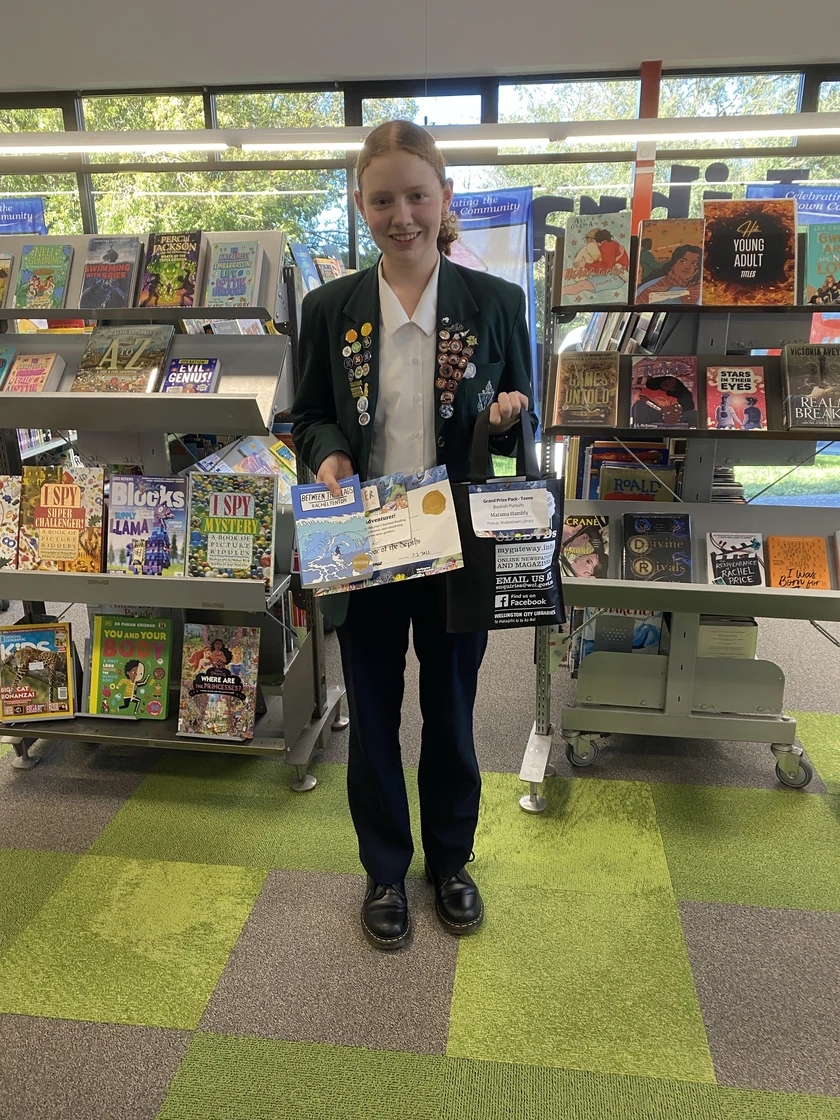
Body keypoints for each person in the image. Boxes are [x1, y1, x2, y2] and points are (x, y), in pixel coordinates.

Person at [291, 119, 533, 951]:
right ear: (360, 205)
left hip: (456, 539)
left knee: (453, 710)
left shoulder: (495, 303)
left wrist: (507, 417)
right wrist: (325, 457)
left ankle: (451, 862)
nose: (403, 215)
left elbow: (514, 427)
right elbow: (312, 415)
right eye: (383, 198)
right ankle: (386, 868)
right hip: (363, 539)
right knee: (374, 705)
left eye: (417, 196)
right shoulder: (329, 309)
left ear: (445, 199)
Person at [635, 244, 702, 305]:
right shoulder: (649, 286)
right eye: (683, 261)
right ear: (674, 263)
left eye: (694, 263)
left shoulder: (704, 292)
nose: (687, 267)